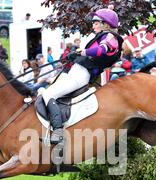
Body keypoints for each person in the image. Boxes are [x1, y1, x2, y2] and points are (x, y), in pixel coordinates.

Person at [43, 5, 123, 146]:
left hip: (81, 75)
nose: (93, 25)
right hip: (76, 72)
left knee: (48, 94)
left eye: (96, 22)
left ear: (106, 24)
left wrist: (80, 52)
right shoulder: (101, 36)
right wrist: (73, 57)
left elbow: (99, 51)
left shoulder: (111, 38)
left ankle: (58, 132)